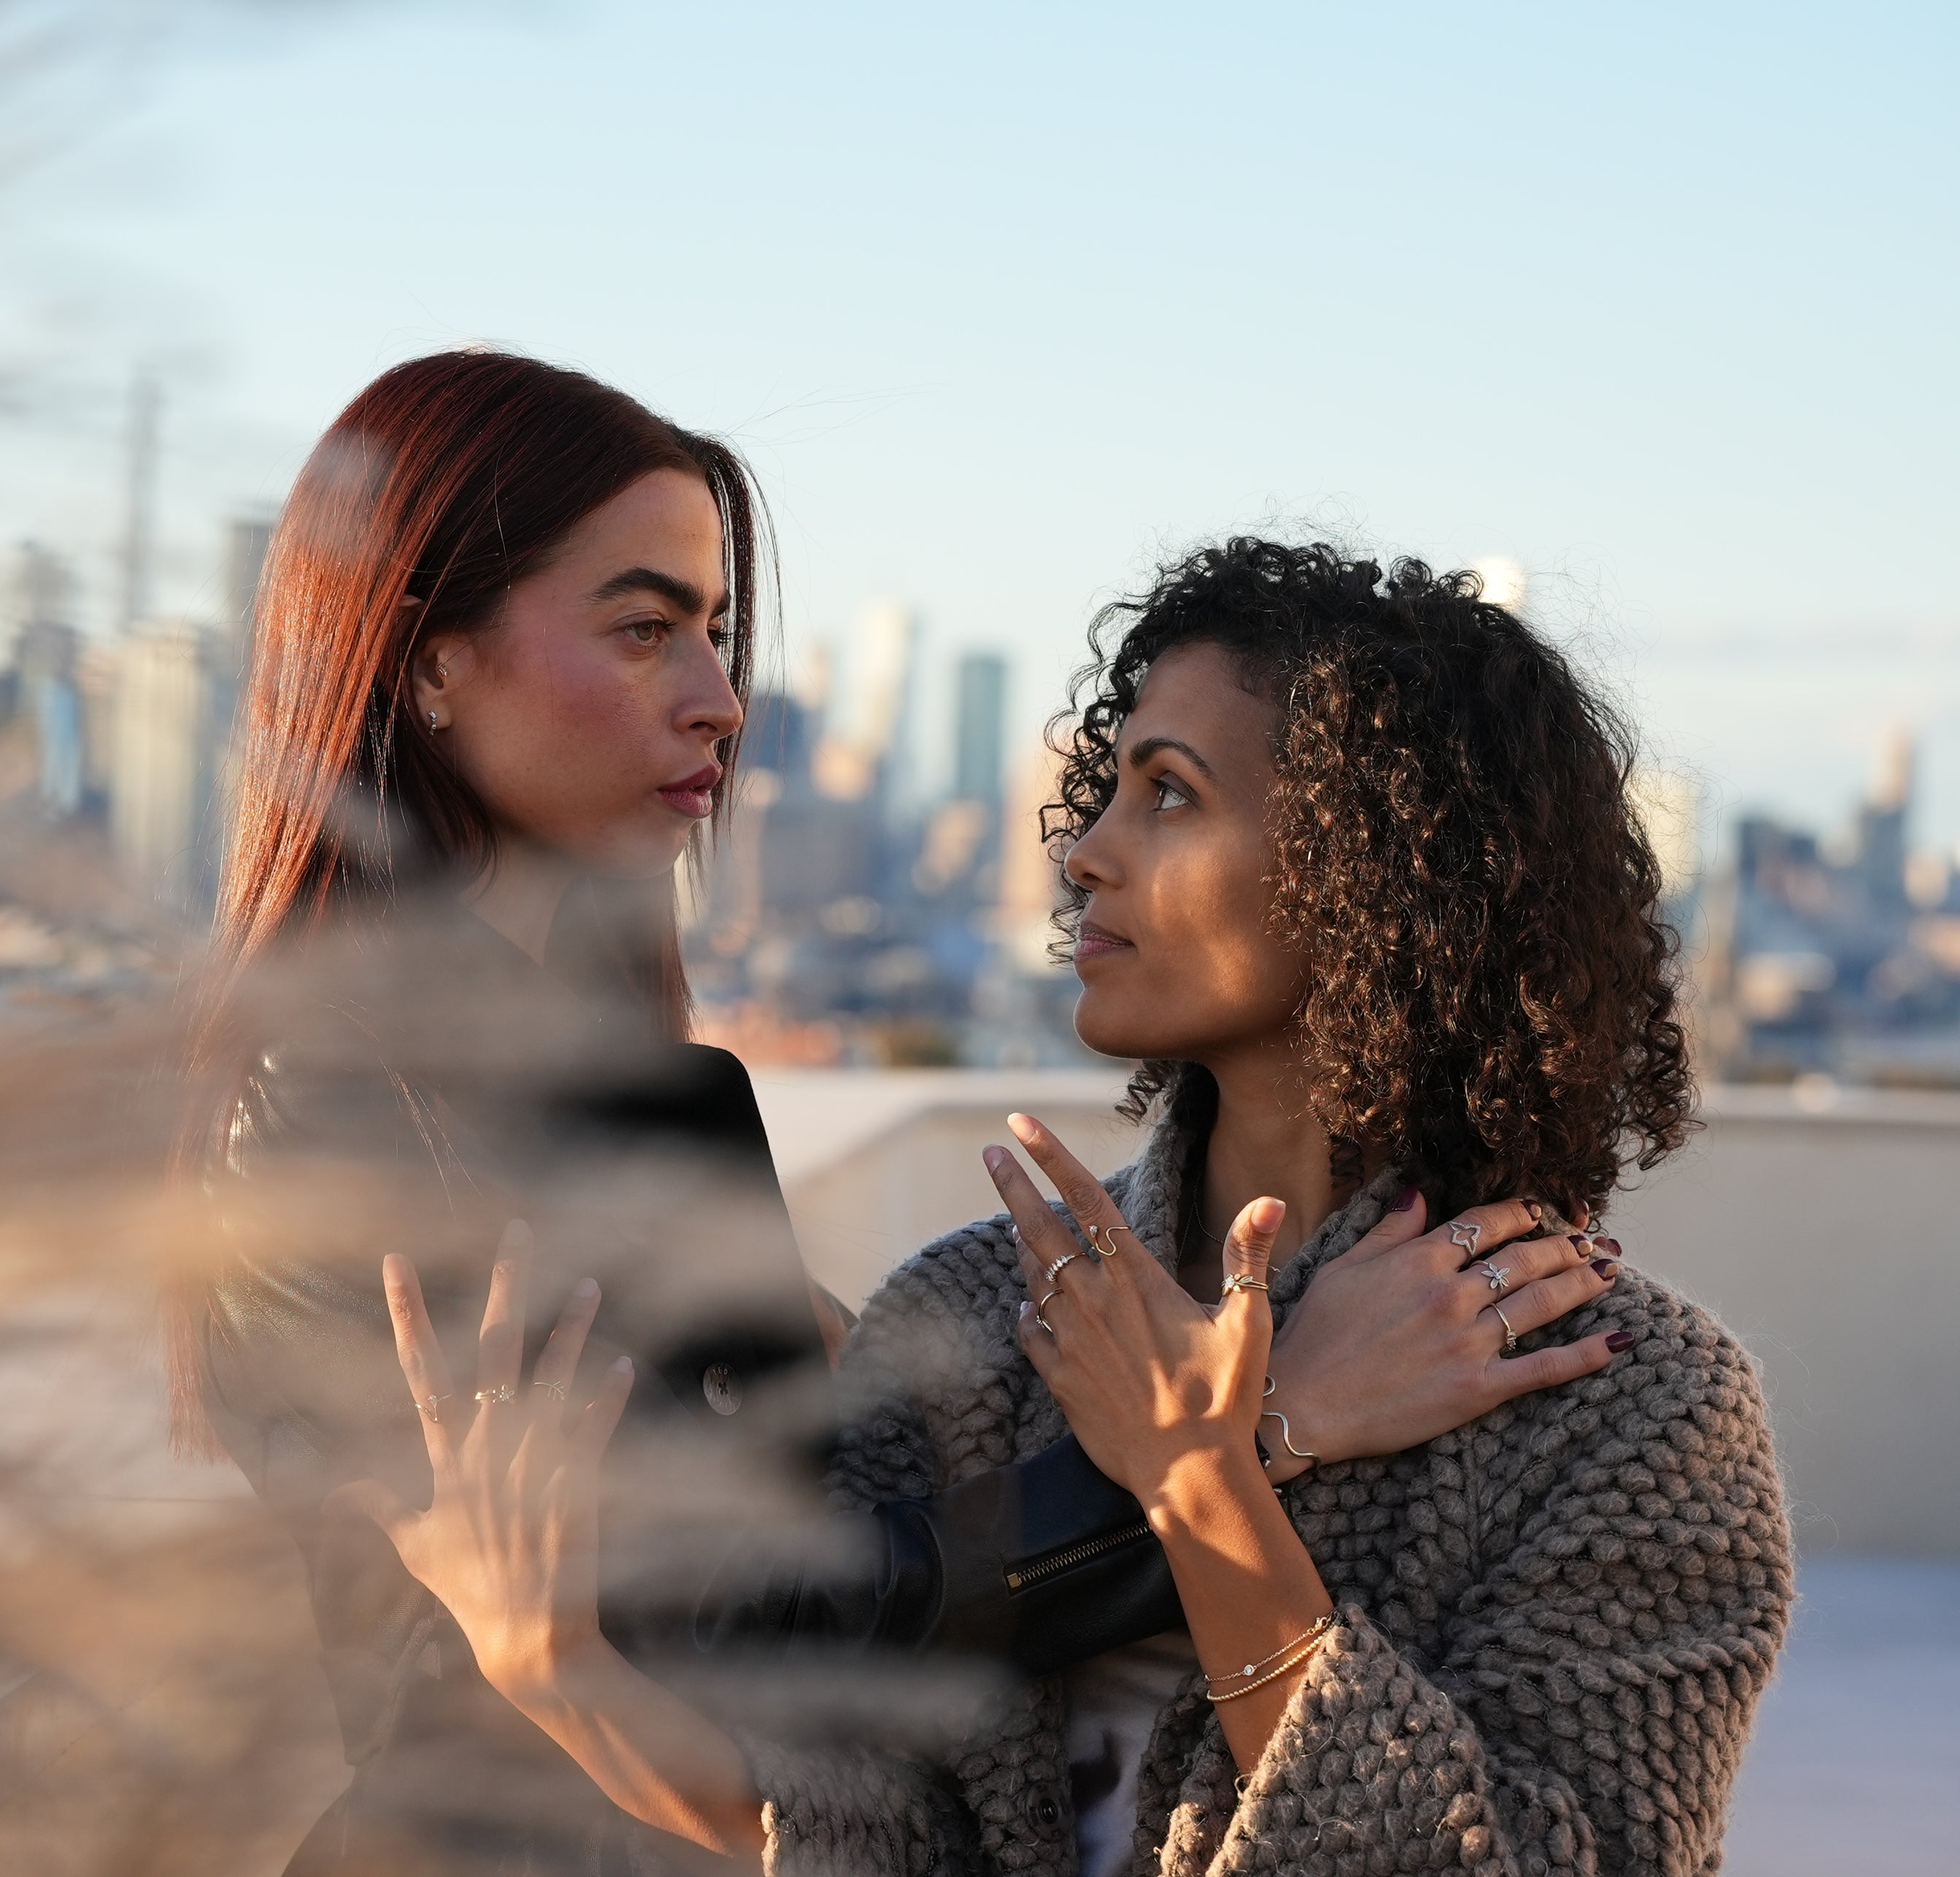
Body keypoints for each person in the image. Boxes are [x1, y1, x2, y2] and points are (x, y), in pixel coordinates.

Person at [179, 359, 1637, 1876]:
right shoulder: (341, 1101)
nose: (720, 700)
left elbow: (812, 1513)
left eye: (716, 633)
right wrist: (1273, 1424)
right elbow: (750, 1632)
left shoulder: (636, 1086)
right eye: (641, 629)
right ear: (428, 663)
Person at [753, 540, 1793, 1876]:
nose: (1085, 855)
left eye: (1170, 795)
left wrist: (1207, 1481)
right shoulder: (967, 1321)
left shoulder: (1634, 1404)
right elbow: (827, 1791)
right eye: (1108, 790)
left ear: (1376, 872)